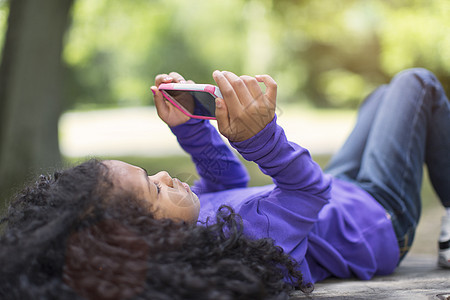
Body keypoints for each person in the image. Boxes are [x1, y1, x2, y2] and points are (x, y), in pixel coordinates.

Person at [0, 69, 449, 299]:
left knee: (381, 97)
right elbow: (309, 192)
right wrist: (261, 139)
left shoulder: (201, 241)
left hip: (347, 192)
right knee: (416, 84)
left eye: (148, 171)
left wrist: (192, 130)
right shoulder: (248, 242)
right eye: (153, 188)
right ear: (154, 237)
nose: (162, 176)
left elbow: (226, 183)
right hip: (378, 217)